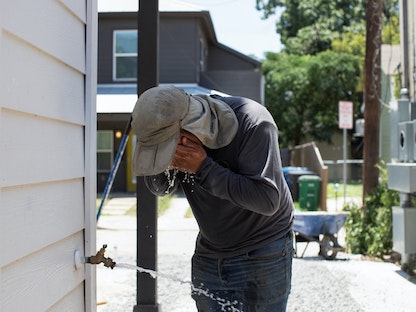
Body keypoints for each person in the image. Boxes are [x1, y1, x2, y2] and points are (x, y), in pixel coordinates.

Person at [131, 85, 294, 311]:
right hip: (210, 252)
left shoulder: (253, 122)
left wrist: (202, 167)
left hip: (263, 248)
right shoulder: (171, 129)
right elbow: (161, 188)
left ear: (189, 128)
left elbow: (267, 200)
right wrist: (163, 163)